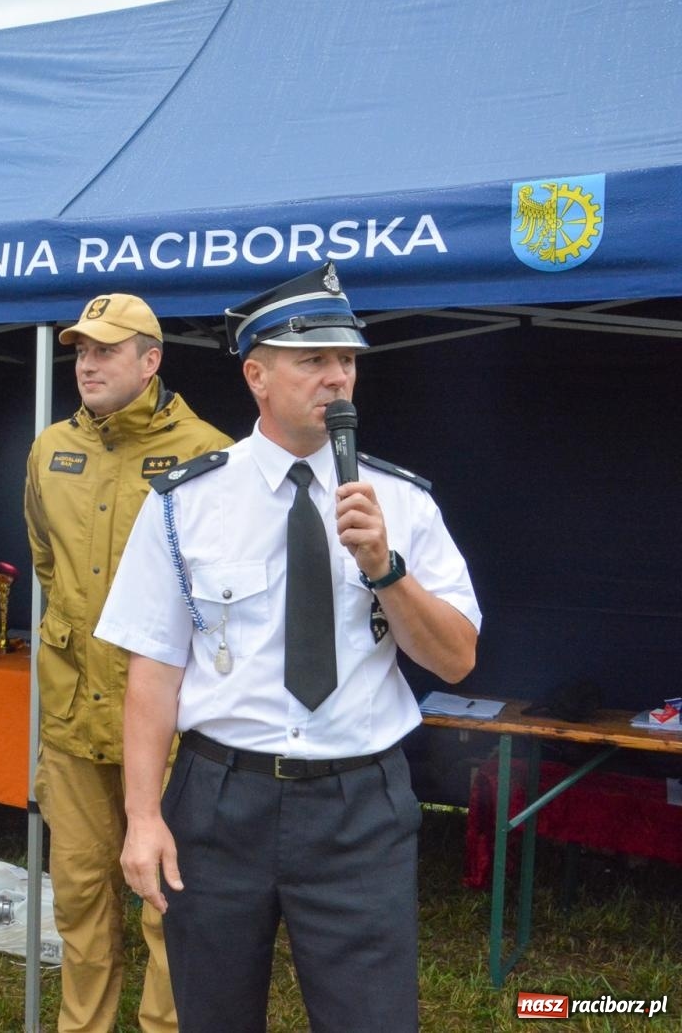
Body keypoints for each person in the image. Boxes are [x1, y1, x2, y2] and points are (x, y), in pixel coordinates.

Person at [96, 263, 481, 1033]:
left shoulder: (400, 502)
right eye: (313, 360)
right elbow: (153, 671)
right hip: (218, 800)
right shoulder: (185, 503)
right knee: (213, 1016)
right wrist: (143, 816)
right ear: (257, 376)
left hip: (357, 807)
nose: (337, 377)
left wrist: (386, 570)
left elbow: (456, 659)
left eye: (347, 361)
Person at [24, 293, 231, 1033]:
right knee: (80, 897)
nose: (88, 363)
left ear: (152, 360)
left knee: (167, 898)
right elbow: (47, 563)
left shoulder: (209, 449)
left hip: (167, 722)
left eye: (106, 350)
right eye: (81, 350)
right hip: (74, 721)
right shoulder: (50, 448)